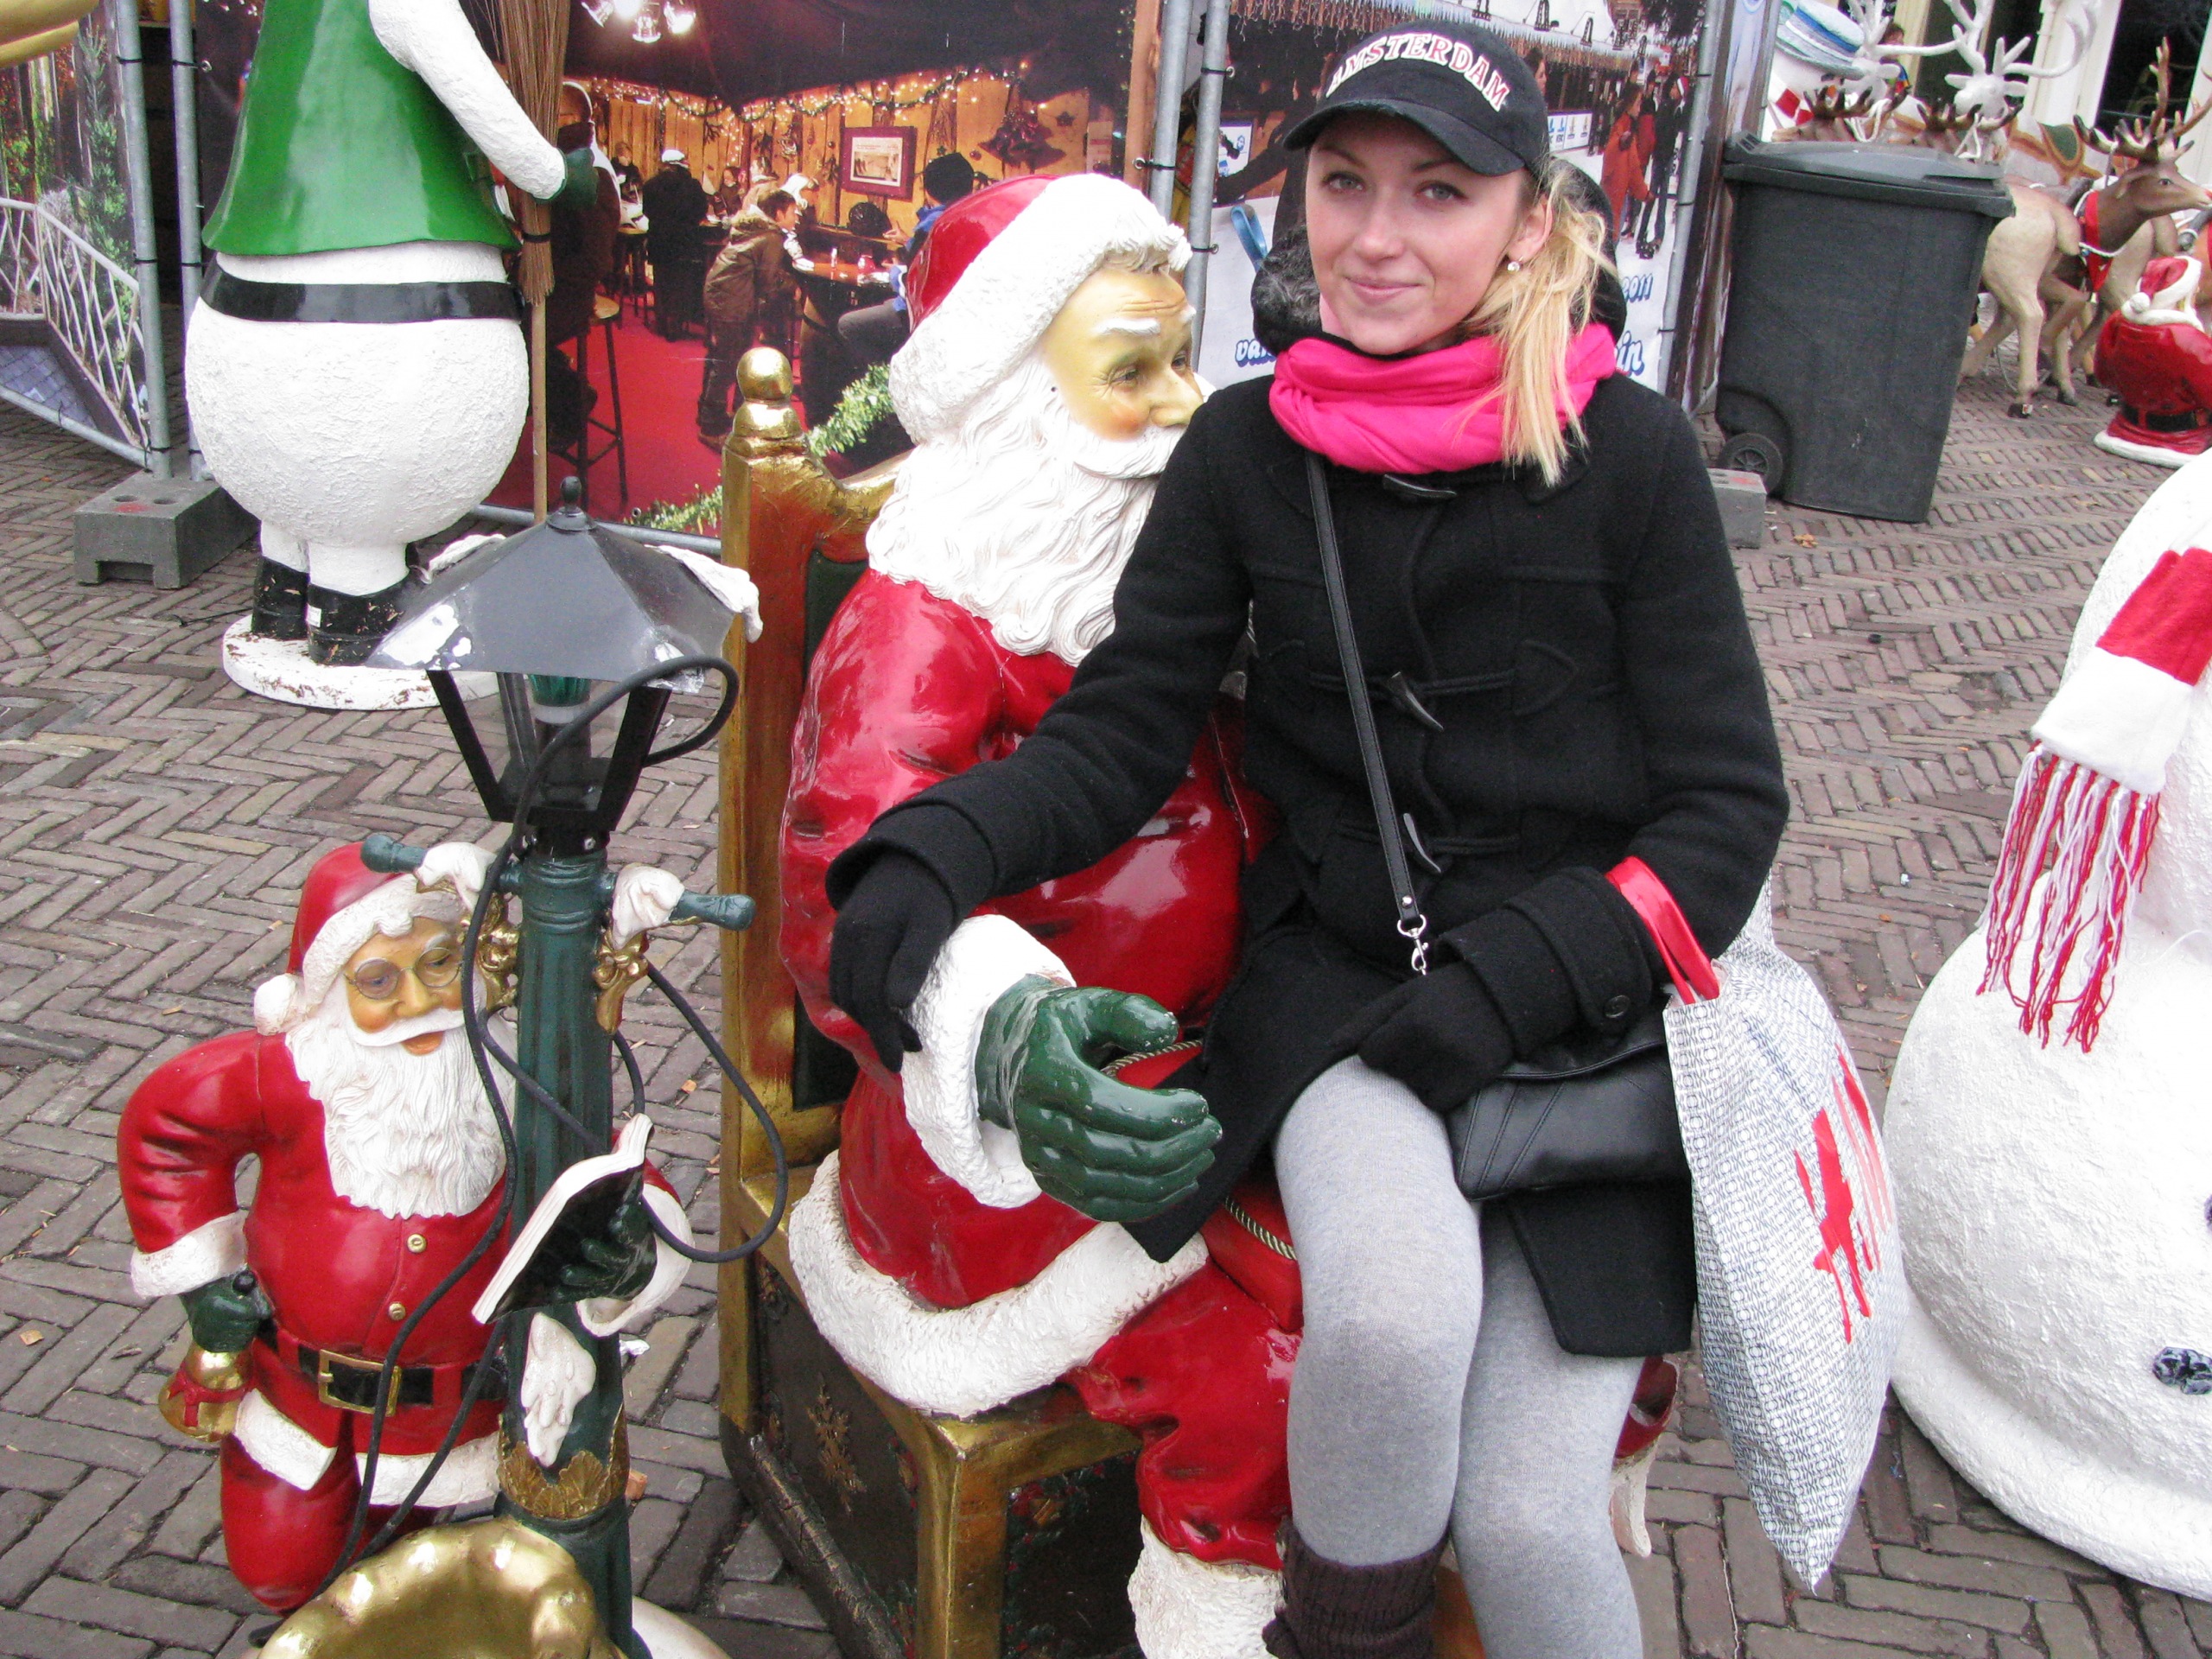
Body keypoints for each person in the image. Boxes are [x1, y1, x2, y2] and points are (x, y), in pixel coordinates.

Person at [824, 20, 1787, 1659]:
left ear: (1528, 220)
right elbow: (1123, 728)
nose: (1377, 237)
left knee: (1533, 1516)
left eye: (1438, 192)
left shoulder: (1630, 457)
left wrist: (1514, 986)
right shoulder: (1250, 451)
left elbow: (1726, 810)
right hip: (1353, 1000)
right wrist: (925, 856)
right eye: (1343, 186)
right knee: (1394, 1335)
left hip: (1590, 1020)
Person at [782, 173, 1296, 1657]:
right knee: (1263, 1363)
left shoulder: (1172, 583)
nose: (1186, 406)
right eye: (1133, 372)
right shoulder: (928, 621)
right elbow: (844, 877)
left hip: (1222, 1067)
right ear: (1012, 399)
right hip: (1005, 1148)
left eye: (1185, 358)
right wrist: (1003, 1037)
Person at [118, 843, 695, 1611]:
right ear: (330, 990)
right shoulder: (294, 1073)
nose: (418, 1001)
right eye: (378, 981)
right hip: (298, 1398)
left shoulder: (506, 1070)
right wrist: (203, 1283)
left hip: (455, 1406)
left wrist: (634, 1242)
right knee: (280, 1566)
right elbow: (169, 1128)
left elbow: (595, 1158)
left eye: (439, 964)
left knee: (416, 1565)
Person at [837, 149, 979, 366]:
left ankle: (884, 376)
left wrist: (895, 272)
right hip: (955, 313)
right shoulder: (970, 218)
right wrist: (907, 241)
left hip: (920, 316)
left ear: (929, 190)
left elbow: (913, 286)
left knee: (848, 324)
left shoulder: (932, 225)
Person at [698, 188, 800, 441]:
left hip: (720, 293)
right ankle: (711, 427)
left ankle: (708, 414)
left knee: (720, 357)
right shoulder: (771, 237)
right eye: (793, 212)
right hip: (732, 301)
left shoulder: (755, 229)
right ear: (779, 214)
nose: (796, 217)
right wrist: (793, 286)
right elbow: (768, 282)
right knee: (727, 362)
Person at [642, 145, 709, 338]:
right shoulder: (693, 186)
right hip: (684, 242)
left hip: (660, 240)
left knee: (661, 282)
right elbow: (700, 212)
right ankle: (677, 323)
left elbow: (647, 211)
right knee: (681, 284)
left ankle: (662, 321)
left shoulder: (651, 185)